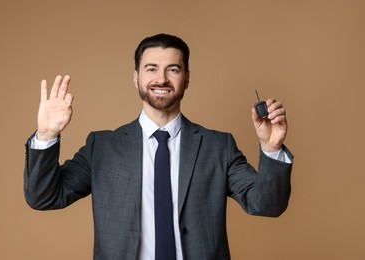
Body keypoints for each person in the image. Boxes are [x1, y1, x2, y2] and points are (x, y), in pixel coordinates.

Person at [24, 33, 293, 260]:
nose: (161, 79)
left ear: (187, 78)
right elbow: (44, 197)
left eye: (173, 69)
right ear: (136, 77)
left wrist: (271, 147)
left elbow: (267, 205)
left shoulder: (218, 147)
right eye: (151, 68)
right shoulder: (102, 147)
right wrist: (47, 135)